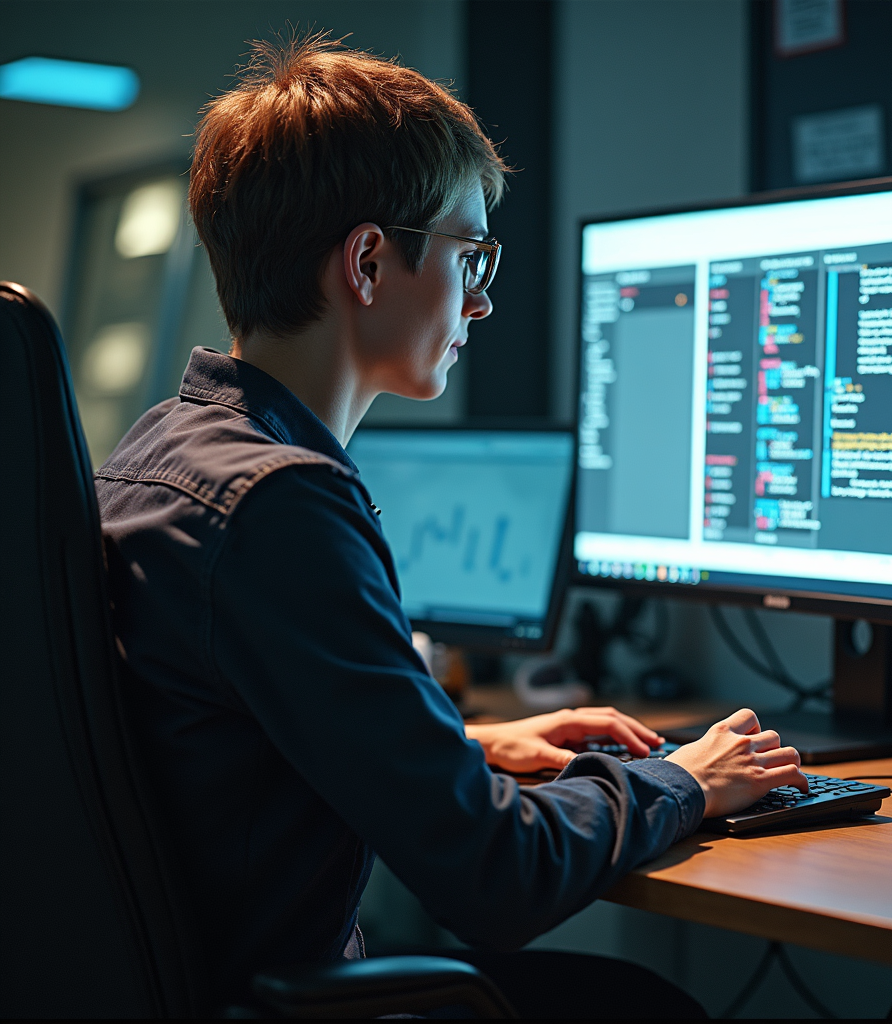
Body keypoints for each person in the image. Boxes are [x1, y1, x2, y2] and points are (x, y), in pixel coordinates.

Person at [95, 32, 806, 1016]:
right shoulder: (281, 504)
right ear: (371, 261)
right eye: (471, 254)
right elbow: (493, 876)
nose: (482, 297)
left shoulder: (160, 451)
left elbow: (231, 743)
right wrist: (683, 779)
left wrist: (461, 744)